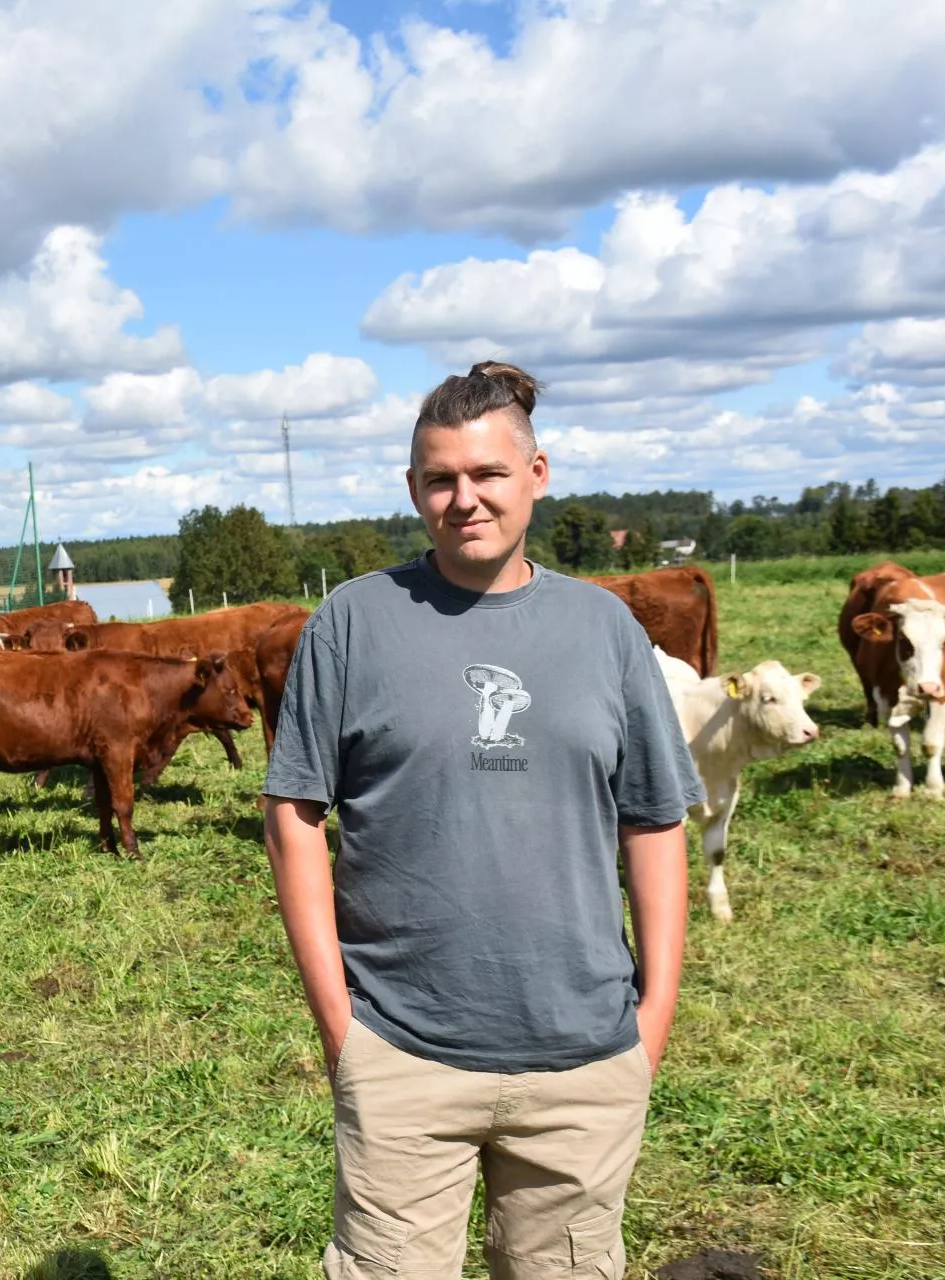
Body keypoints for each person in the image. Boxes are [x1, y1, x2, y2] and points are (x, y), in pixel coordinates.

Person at [262, 363, 701, 1280]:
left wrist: (652, 1017)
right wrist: (340, 1024)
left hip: (584, 1058)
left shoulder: (605, 629)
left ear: (537, 474)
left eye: (488, 475)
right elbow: (295, 812)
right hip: (401, 1053)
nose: (465, 499)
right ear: (414, 488)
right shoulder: (353, 621)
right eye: (439, 479)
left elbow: (655, 821)